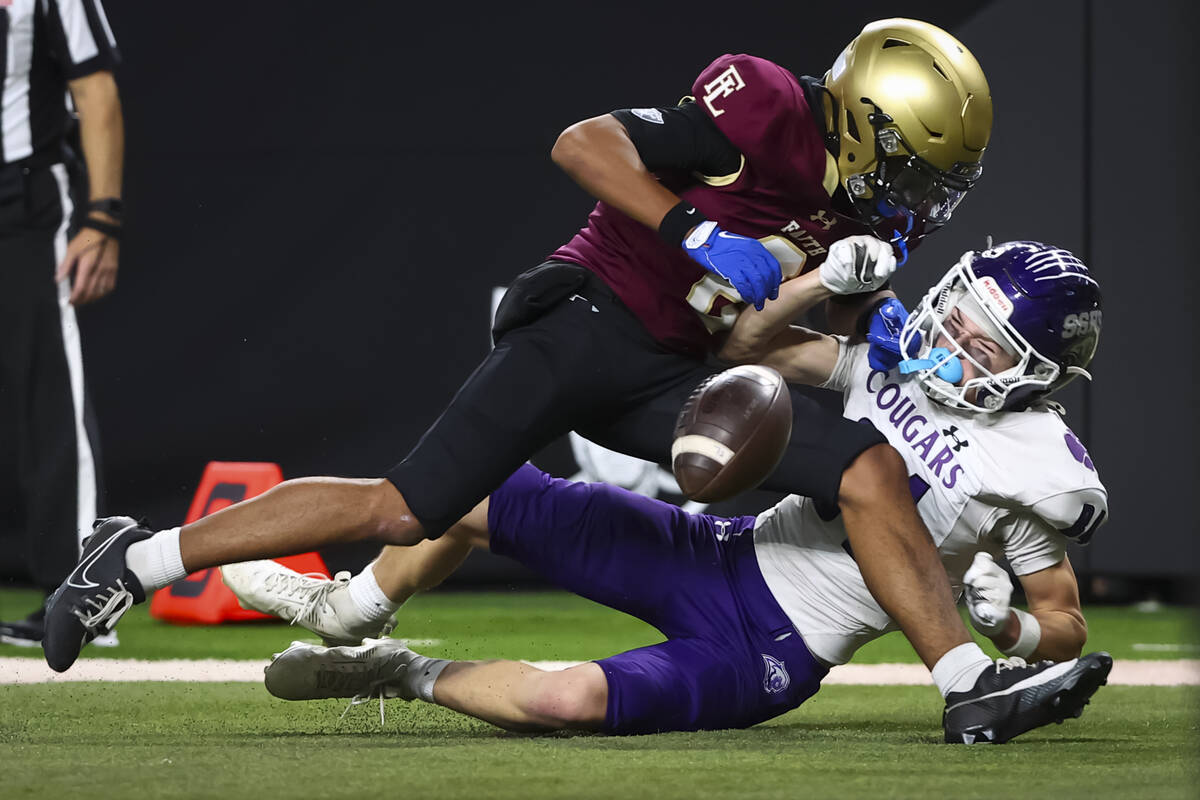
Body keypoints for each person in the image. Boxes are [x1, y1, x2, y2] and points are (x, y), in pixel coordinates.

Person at [43, 19, 1014, 734]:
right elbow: (584, 141)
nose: (916, 198)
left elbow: (811, 302)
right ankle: (134, 557)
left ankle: (968, 679)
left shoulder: (865, 209)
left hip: (673, 367)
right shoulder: (763, 104)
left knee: (862, 464)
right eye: (911, 168)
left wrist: (866, 317)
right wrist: (695, 227)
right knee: (399, 507)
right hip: (593, 317)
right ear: (858, 120)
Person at [264, 240, 1109, 744]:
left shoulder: (1037, 472)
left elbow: (1065, 626)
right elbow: (741, 346)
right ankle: (362, 605)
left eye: (983, 344)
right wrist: (819, 286)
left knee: (567, 701)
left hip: (775, 648)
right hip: (718, 553)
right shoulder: (882, 360)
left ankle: (395, 672)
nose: (951, 337)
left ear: (1035, 375)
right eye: (957, 311)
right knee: (478, 487)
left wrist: (1014, 625)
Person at [0, 0, 125, 647]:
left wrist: (101, 217)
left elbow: (93, 84)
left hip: (21, 201)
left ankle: (77, 594)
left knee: (49, 393)